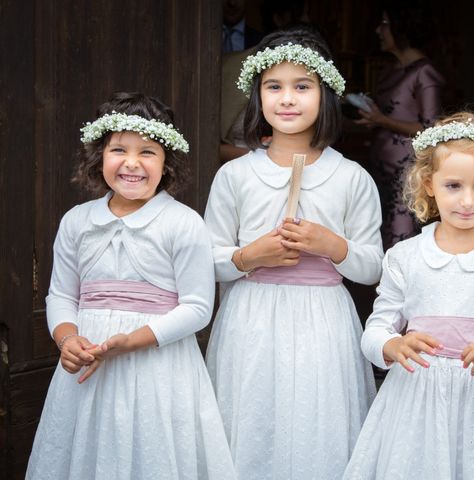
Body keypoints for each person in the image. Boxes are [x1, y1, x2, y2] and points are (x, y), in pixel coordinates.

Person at [26, 92, 236, 480]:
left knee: (150, 452)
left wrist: (132, 341)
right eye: (118, 149)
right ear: (99, 156)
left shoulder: (182, 223)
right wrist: (67, 339)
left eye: (148, 152)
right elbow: (62, 295)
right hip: (87, 368)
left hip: (157, 365)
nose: (132, 163)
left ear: (167, 162)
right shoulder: (77, 221)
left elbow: (196, 307)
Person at [204, 27, 383, 479]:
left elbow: (373, 267)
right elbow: (207, 258)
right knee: (252, 418)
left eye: (302, 86)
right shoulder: (236, 176)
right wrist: (249, 257)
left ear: (326, 94)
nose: (288, 98)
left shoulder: (352, 178)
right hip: (251, 317)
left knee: (315, 421)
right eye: (274, 87)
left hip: (323, 319)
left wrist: (332, 246)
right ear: (256, 95)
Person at [344, 112, 474, 479]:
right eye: (453, 186)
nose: (468, 201)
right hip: (417, 404)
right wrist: (390, 346)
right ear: (428, 183)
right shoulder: (405, 257)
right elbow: (376, 328)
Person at [355, 0, 444, 250]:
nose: (378, 30)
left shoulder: (424, 72)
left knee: (399, 242)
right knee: (375, 241)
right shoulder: (390, 69)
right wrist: (372, 119)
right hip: (380, 170)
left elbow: (431, 129)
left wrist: (382, 119)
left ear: (402, 28)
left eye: (384, 24)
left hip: (405, 176)